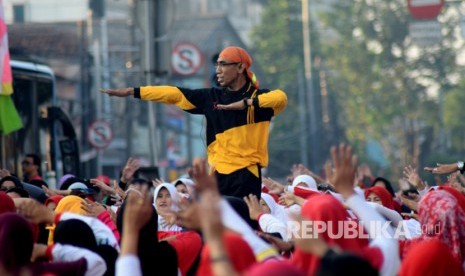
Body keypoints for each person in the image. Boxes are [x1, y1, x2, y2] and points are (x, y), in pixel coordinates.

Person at [101, 46, 287, 199]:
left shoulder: (260, 98)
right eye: (217, 65)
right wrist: (134, 91)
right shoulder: (211, 97)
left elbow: (281, 98)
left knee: (244, 227)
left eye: (223, 64)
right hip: (217, 175)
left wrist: (246, 104)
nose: (218, 70)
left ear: (240, 68)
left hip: (247, 175)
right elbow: (174, 94)